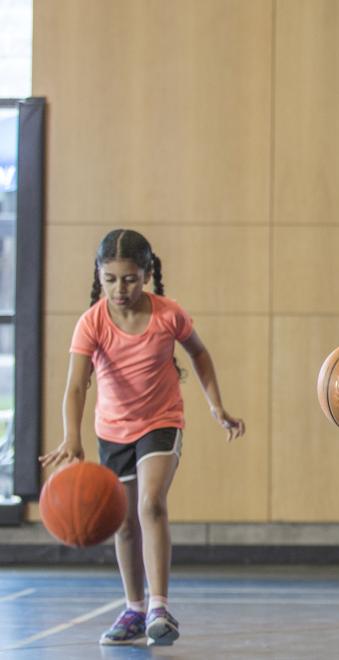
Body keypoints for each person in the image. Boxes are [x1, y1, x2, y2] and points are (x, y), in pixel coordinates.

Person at [40, 229, 246, 648]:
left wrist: (216, 406)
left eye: (130, 278)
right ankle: (134, 608)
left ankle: (158, 606)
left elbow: (199, 354)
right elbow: (77, 386)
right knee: (123, 521)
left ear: (147, 274)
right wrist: (71, 437)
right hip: (112, 430)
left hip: (161, 422)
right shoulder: (92, 322)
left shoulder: (168, 315)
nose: (120, 288)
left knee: (150, 504)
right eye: (111, 278)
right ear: (99, 275)